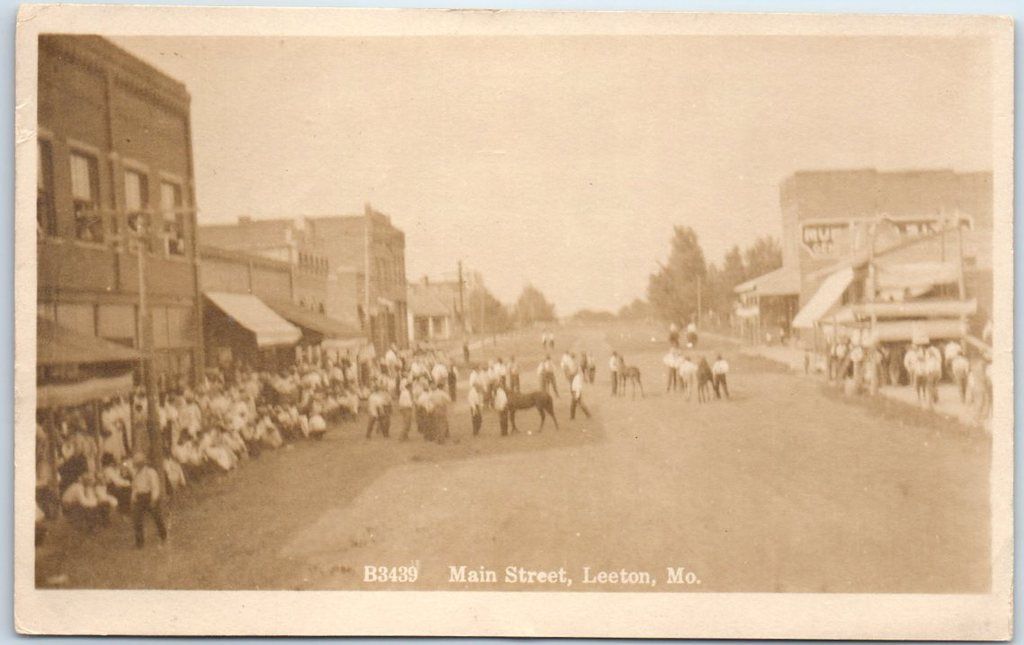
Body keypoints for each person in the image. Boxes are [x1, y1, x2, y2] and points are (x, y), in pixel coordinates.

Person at [130, 452, 167, 549]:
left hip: (149, 496)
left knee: (157, 517)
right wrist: (133, 497)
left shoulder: (150, 472)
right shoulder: (135, 473)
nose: (137, 465)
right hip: (139, 497)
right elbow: (134, 487)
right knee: (137, 519)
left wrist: (153, 499)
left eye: (139, 462)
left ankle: (163, 536)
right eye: (136, 463)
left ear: (143, 462)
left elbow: (155, 487)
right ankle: (139, 543)